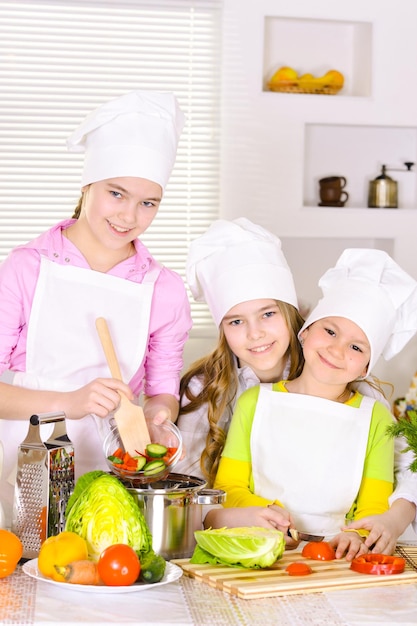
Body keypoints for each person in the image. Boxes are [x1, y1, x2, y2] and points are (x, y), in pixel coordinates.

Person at [0, 90, 192, 527]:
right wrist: (72, 401)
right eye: (117, 193)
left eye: (149, 202)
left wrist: (159, 418)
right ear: (88, 185)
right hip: (18, 468)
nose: (129, 216)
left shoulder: (162, 288)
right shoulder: (27, 268)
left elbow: (162, 391)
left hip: (111, 478)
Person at [206, 248, 417, 560]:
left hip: (336, 557)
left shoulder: (376, 418)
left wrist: (357, 536)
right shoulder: (254, 402)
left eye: (356, 346)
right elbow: (230, 487)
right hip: (262, 547)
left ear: (365, 368)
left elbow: (374, 505)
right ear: (304, 333)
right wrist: (265, 514)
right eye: (329, 331)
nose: (336, 349)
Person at [176, 218, 304, 489]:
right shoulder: (202, 389)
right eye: (236, 321)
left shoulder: (331, 371)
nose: (254, 333)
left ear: (291, 312)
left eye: (267, 314)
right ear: (222, 328)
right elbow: (185, 481)